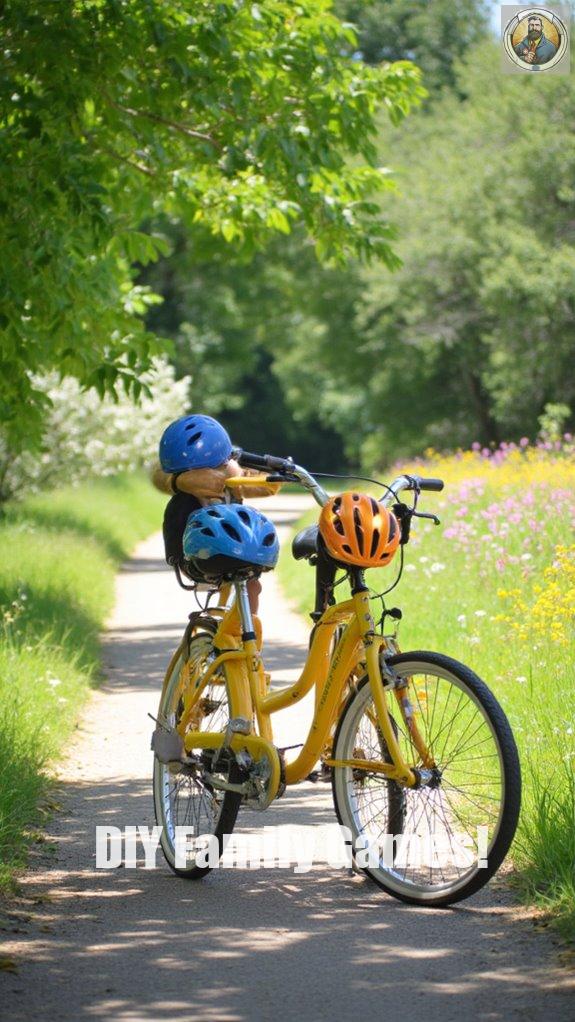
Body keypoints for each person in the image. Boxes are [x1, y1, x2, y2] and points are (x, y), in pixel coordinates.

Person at [152, 414, 279, 611]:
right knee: (250, 586)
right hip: (197, 556)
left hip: (231, 548)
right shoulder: (186, 495)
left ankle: (244, 631)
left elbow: (263, 484)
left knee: (252, 586)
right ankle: (244, 633)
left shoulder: (229, 481)